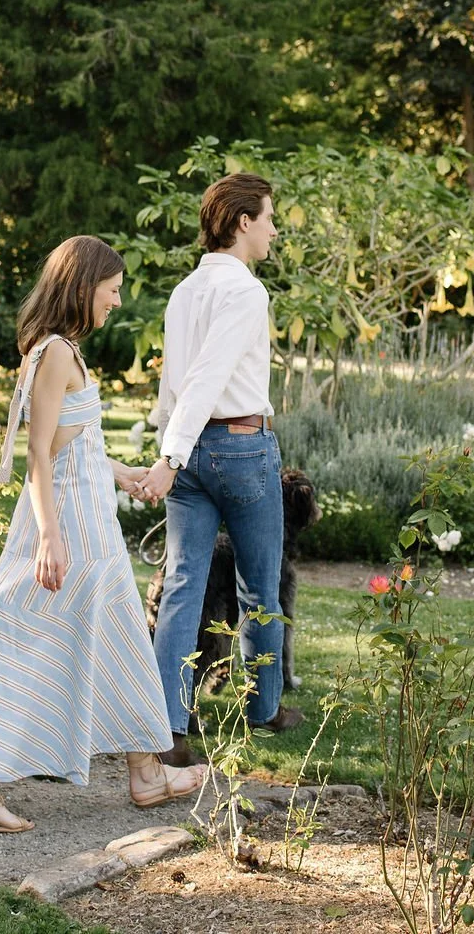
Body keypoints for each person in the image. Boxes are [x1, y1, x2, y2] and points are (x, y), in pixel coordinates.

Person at [0, 235, 208, 839]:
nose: (117, 302)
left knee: (108, 647)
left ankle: (140, 773)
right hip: (71, 530)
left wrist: (127, 474)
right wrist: (48, 536)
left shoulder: (61, 351)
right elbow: (39, 453)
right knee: (39, 646)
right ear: (84, 286)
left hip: (86, 522)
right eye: (112, 290)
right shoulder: (56, 352)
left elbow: (73, 444)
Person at [134, 172, 303, 767]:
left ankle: (168, 729)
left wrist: (169, 449)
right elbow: (205, 378)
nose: (275, 230)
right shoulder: (246, 291)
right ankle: (265, 709)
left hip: (190, 454)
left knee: (182, 585)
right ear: (242, 222)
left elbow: (172, 381)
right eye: (270, 218)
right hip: (239, 448)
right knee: (260, 583)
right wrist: (169, 455)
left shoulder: (184, 291)